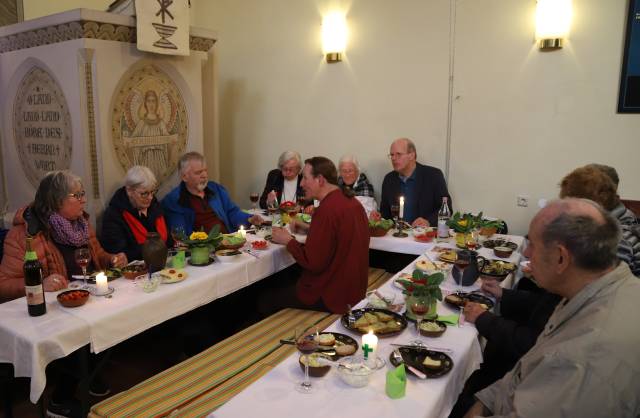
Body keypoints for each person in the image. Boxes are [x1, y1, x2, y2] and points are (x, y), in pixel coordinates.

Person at [464, 198, 640, 418]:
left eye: (533, 245)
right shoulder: (590, 289)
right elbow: (529, 364)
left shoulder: (584, 357)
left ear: (560, 258)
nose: (526, 254)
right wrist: (486, 400)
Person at [0, 171, 127, 301]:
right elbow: (3, 284)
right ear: (56, 201)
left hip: (89, 296)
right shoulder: (24, 235)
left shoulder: (82, 224)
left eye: (82, 194)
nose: (83, 200)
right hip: (55, 306)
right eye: (77, 195)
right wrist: (40, 284)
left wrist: (112, 260)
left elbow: (98, 257)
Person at [268, 156, 370, 314]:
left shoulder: (326, 210)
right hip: (355, 290)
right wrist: (309, 229)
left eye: (305, 178)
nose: (301, 184)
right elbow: (339, 235)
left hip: (333, 295)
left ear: (320, 180)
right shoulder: (351, 202)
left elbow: (313, 263)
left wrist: (288, 241)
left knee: (265, 298)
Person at [449, 278, 561, 417]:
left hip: (516, 385)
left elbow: (529, 342)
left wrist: (483, 319)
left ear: (562, 259)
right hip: (507, 383)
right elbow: (539, 302)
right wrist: (504, 293)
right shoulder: (568, 293)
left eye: (535, 254)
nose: (526, 255)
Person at [559, 165, 640, 276]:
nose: (567, 211)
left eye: (570, 205)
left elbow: (600, 285)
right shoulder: (603, 224)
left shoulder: (615, 238)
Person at [162, 152, 263, 235]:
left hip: (228, 241)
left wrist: (249, 219)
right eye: (198, 173)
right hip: (203, 250)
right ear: (184, 177)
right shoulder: (174, 201)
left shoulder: (216, 189)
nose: (204, 175)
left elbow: (232, 212)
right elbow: (180, 234)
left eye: (205, 170)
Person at [101, 166, 170, 261]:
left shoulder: (154, 205)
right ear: (129, 191)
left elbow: (168, 239)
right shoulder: (114, 215)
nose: (150, 197)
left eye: (152, 192)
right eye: (144, 194)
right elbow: (120, 253)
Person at [377, 138, 451, 227]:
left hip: (425, 236)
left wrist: (428, 221)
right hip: (397, 236)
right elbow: (385, 213)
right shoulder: (389, 179)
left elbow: (447, 208)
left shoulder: (433, 176)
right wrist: (379, 217)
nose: (393, 158)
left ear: (412, 155)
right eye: (392, 155)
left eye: (398, 154)